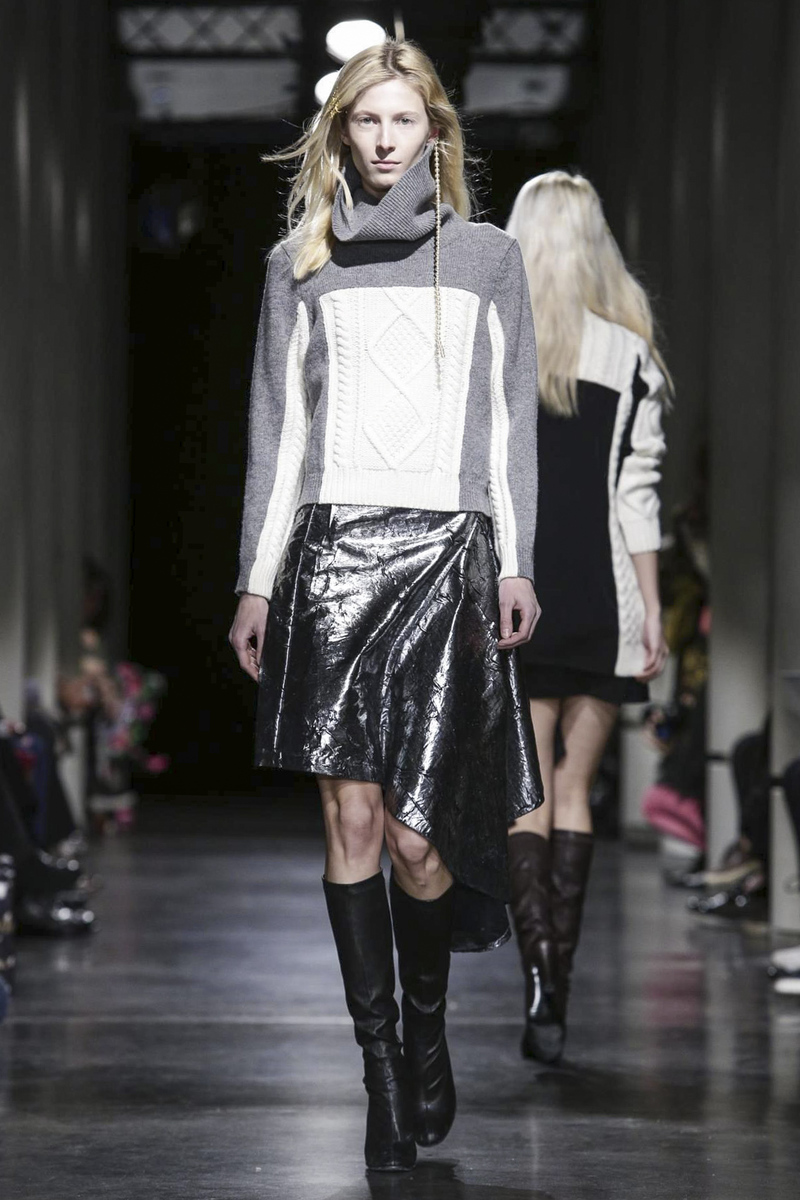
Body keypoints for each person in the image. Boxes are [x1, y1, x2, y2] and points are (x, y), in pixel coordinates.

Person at [228, 40, 543, 1173]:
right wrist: (257, 578)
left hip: (447, 555)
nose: (382, 140)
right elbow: (280, 433)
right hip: (329, 559)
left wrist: (515, 561)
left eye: (403, 121)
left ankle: (425, 1027)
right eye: (365, 121)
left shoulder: (488, 258)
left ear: (435, 134)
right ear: (340, 133)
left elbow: (507, 419)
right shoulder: (299, 263)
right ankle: (378, 1071)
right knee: (352, 823)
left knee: (418, 838)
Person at [504, 172, 670, 1064]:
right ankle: (557, 984)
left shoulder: (494, 340)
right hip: (603, 592)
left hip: (521, 591)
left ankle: (536, 977)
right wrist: (652, 610)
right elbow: (638, 494)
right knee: (574, 791)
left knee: (527, 789)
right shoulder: (630, 352)